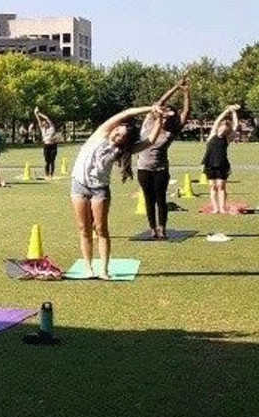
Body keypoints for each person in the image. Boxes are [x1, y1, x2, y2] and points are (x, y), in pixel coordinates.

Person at [71, 104, 164, 279]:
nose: (117, 135)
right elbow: (127, 113)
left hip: (99, 189)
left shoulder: (121, 150)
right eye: (117, 131)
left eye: (122, 136)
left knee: (101, 229)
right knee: (84, 229)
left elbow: (150, 141)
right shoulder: (100, 134)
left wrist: (159, 119)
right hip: (79, 186)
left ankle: (104, 270)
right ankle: (88, 268)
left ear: (125, 140)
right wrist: (151, 108)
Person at [137, 78, 190, 236]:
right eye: (166, 113)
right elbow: (160, 101)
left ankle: (162, 228)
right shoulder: (149, 122)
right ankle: (153, 229)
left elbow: (186, 113)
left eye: (170, 116)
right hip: (143, 168)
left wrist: (187, 93)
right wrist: (176, 87)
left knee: (161, 199)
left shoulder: (171, 132)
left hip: (161, 169)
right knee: (148, 199)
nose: (167, 117)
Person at [203, 103, 242, 214]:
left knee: (221, 186)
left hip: (222, 164)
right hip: (209, 164)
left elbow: (235, 126)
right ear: (220, 127)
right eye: (222, 127)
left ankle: (222, 207)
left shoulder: (227, 139)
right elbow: (217, 120)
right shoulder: (212, 135)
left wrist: (234, 112)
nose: (223, 129)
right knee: (212, 186)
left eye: (226, 128)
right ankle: (215, 208)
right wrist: (227, 110)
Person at [34, 107, 62, 179]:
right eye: (43, 123)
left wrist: (39, 113)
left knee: (52, 160)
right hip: (46, 146)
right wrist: (36, 114)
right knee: (47, 161)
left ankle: (51, 174)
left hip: (53, 145)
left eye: (46, 123)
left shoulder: (52, 128)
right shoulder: (43, 129)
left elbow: (47, 118)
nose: (44, 124)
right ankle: (47, 174)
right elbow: (38, 120)